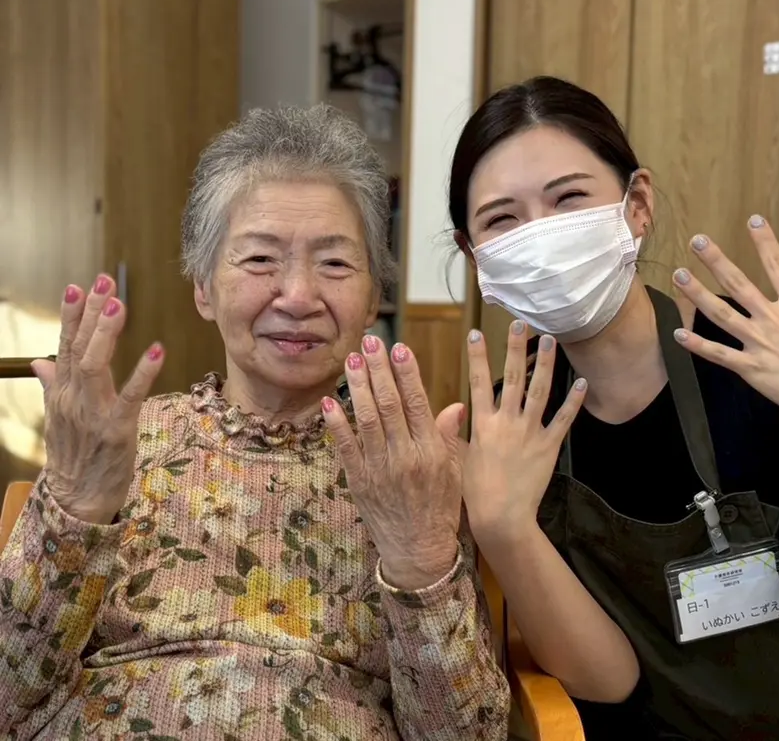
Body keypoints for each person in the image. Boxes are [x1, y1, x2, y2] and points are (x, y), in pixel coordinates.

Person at [0, 105, 511, 740]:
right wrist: (74, 507)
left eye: (334, 263)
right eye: (260, 260)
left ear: (374, 293)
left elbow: (467, 736)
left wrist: (420, 553)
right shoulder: (118, 448)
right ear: (204, 287)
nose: (297, 296)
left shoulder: (409, 471)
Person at [450, 75, 779, 739]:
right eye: (503, 219)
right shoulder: (513, 424)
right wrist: (506, 530)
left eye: (568, 198)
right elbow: (607, 685)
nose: (542, 236)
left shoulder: (774, 358)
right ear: (475, 255)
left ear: (637, 204)